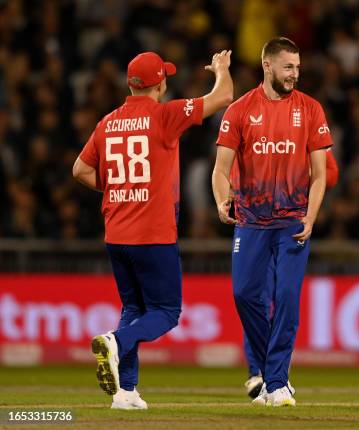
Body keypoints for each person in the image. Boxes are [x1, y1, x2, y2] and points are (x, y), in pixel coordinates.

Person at [72, 50, 233, 409]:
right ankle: (115, 342)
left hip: (116, 235)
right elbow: (223, 96)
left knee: (133, 307)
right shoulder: (165, 115)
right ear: (159, 83)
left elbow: (79, 171)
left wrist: (118, 187)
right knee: (165, 312)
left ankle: (125, 392)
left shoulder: (107, 122)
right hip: (153, 234)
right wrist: (221, 70)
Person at [212, 37, 332, 407]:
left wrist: (311, 216)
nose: (295, 74)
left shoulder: (311, 109)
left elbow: (320, 174)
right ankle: (270, 370)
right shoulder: (240, 110)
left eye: (297, 67)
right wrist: (221, 199)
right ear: (268, 66)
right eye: (288, 67)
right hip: (250, 220)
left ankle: (276, 381)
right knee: (244, 294)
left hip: (292, 221)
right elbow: (220, 167)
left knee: (286, 298)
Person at [243, 149, 338, 399]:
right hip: (256, 221)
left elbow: (331, 173)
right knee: (254, 297)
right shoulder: (252, 121)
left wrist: (297, 176)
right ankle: (261, 371)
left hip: (290, 222)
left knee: (283, 296)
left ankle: (272, 374)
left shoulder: (306, 120)